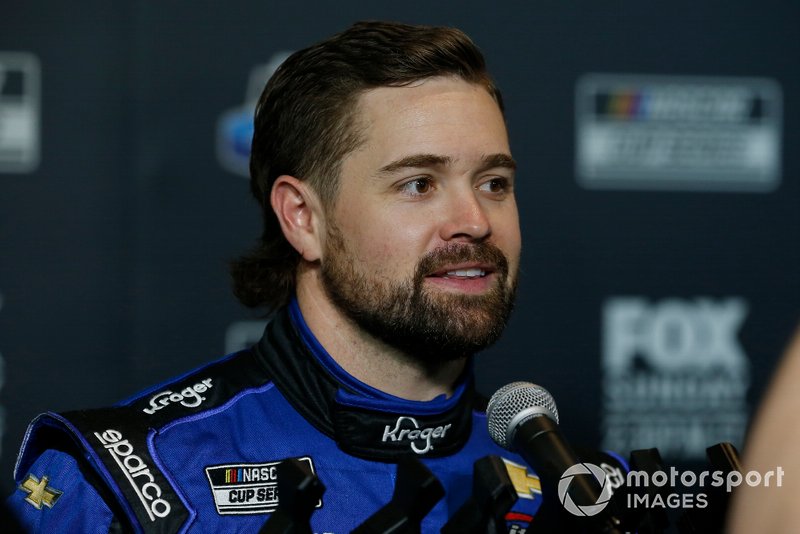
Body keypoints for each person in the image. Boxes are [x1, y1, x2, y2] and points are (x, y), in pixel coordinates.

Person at [7, 21, 541, 532]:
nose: (475, 221)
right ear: (303, 218)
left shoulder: (573, 488)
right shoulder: (121, 484)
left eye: (493, 182)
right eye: (419, 184)